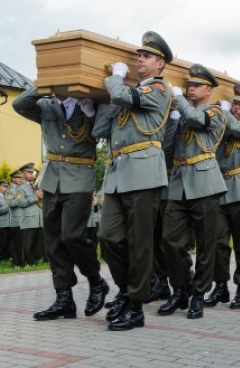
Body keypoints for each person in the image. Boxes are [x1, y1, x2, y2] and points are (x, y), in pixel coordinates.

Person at [92, 31, 172, 331]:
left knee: (140, 243)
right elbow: (100, 130)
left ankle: (136, 306)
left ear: (160, 64)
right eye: (138, 55)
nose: (139, 59)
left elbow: (122, 94)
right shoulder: (127, 97)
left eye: (146, 56)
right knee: (108, 236)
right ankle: (126, 290)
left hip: (143, 173)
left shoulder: (159, 90)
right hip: (116, 175)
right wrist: (100, 103)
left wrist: (115, 79)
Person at [12, 82, 109, 322]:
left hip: (79, 175)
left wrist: (87, 101)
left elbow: (103, 130)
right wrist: (43, 84)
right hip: (52, 177)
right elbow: (18, 104)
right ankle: (63, 298)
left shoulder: (91, 106)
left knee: (72, 236)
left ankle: (96, 281)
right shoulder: (46, 105)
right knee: (52, 240)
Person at [158, 63, 227, 320]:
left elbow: (198, 120)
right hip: (179, 184)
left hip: (205, 183)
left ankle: (198, 294)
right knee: (170, 241)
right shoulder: (183, 113)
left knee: (206, 244)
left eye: (196, 86)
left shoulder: (216, 112)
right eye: (188, 86)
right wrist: (173, 119)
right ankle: (181, 287)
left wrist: (178, 100)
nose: (190, 89)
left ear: (209, 90)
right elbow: (166, 145)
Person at [204, 82, 240, 310]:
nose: (236, 107)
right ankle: (220, 286)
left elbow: (239, 130)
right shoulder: (226, 126)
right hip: (221, 190)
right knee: (217, 242)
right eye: (234, 103)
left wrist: (224, 112)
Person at [17, 163, 44, 266]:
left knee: (38, 243)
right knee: (28, 244)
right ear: (23, 174)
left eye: (32, 172)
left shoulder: (35, 186)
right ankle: (25, 263)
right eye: (29, 172)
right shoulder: (20, 188)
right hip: (28, 220)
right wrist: (35, 198)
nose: (32, 174)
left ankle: (35, 262)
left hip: (38, 219)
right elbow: (21, 203)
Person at [6, 170, 24, 267]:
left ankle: (22, 262)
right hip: (16, 221)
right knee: (16, 244)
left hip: (24, 220)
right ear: (13, 179)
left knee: (22, 244)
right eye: (18, 177)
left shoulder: (21, 188)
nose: (20, 179)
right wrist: (19, 199)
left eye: (20, 177)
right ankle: (15, 263)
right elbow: (11, 203)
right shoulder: (9, 190)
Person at [0, 180, 13, 261]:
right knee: (3, 242)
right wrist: (8, 206)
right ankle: (2, 258)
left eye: (7, 186)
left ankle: (9, 257)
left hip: (11, 223)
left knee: (10, 242)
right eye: (4, 186)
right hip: (2, 224)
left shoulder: (9, 197)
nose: (6, 188)